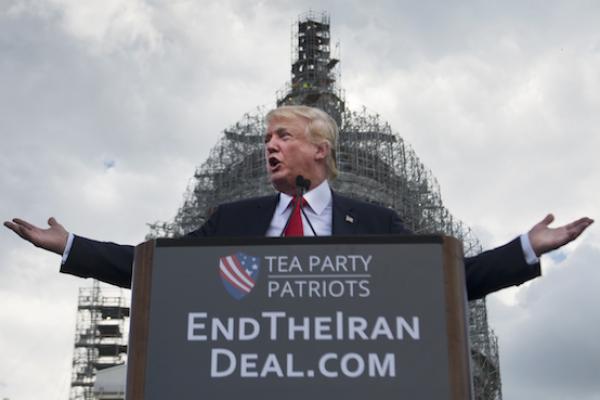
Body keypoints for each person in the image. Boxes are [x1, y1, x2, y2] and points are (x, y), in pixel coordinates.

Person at [4, 106, 593, 300]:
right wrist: (72, 246)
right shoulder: (232, 220)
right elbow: (162, 271)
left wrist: (524, 249)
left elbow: (440, 283)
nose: (269, 146)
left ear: (320, 148)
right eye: (265, 139)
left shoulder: (376, 221)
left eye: (282, 137)